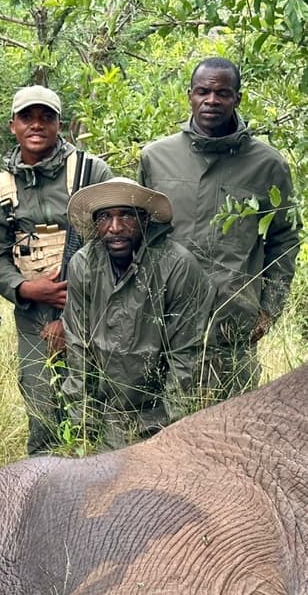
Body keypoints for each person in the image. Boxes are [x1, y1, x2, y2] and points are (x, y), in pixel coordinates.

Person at [138, 57, 302, 397]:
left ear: (237, 99)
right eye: (203, 92)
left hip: (233, 329)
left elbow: (284, 240)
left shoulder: (268, 165)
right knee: (158, 435)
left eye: (223, 93)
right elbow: (136, 236)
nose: (212, 101)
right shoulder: (156, 157)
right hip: (162, 326)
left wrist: (270, 308)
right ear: (190, 96)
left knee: (229, 436)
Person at [0, 85, 113, 454]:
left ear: (61, 124)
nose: (36, 125)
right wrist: (24, 289)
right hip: (33, 316)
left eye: (46, 117)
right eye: (27, 117)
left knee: (94, 410)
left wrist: (69, 315)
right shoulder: (1, 187)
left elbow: (117, 241)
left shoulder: (90, 172)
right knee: (43, 413)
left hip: (92, 313)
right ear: (12, 125)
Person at [60, 177, 213, 450]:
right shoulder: (84, 264)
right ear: (96, 224)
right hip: (108, 412)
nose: (115, 228)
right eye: (105, 217)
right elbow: (78, 347)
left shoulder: (177, 265)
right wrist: (83, 422)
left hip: (159, 413)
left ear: (144, 219)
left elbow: (185, 358)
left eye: (127, 216)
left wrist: (172, 430)